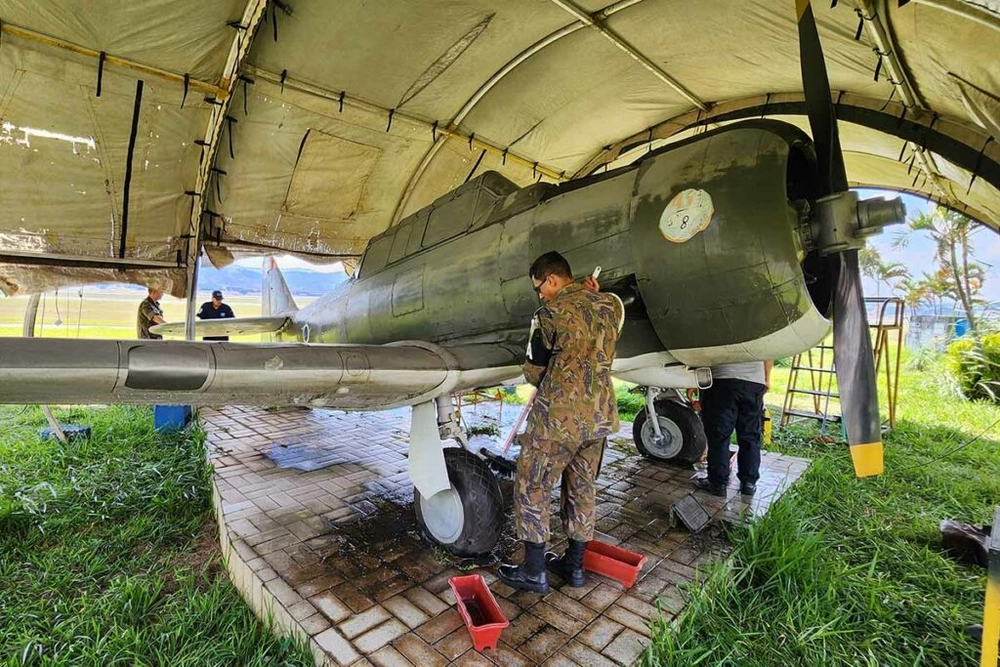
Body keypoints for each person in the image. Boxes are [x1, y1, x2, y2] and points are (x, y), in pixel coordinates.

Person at [498, 251, 624, 594]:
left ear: (552, 279)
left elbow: (533, 372)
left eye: (540, 287)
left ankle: (534, 571)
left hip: (557, 422)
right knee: (582, 488)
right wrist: (592, 295)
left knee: (533, 485)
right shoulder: (609, 307)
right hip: (599, 418)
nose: (540, 294)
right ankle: (575, 567)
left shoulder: (548, 314)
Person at [694, 360, 773, 497]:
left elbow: (704, 353)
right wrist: (766, 378)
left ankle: (718, 483)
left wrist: (695, 382)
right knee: (750, 435)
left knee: (719, 435)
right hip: (754, 382)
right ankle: (748, 483)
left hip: (721, 380)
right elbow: (768, 355)